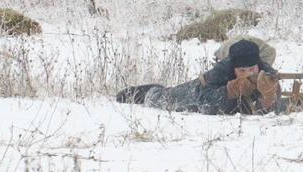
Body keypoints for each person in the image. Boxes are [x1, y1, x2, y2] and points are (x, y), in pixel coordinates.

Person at [117, 38, 286, 115]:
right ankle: (149, 91)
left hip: (232, 107)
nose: (249, 73)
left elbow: (274, 110)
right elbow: (204, 97)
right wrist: (228, 91)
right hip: (199, 91)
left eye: (252, 68)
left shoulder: (267, 75)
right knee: (163, 99)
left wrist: (268, 95)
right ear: (233, 68)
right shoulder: (221, 71)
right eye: (242, 70)